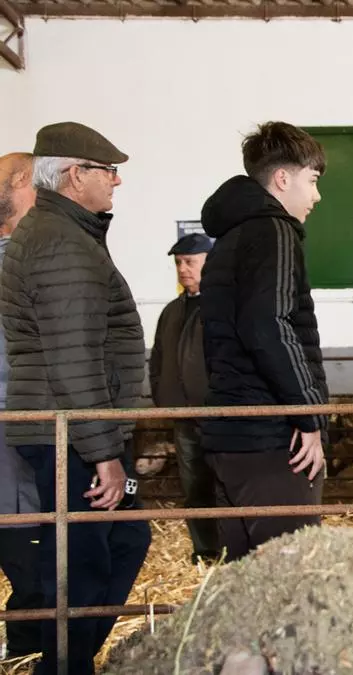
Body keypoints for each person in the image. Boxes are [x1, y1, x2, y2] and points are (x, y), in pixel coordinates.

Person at [0, 123, 151, 674]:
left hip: (72, 428)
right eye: (108, 171)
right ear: (74, 174)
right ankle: (64, 666)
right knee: (84, 559)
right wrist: (104, 453)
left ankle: (68, 661)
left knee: (124, 538)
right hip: (71, 434)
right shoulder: (61, 244)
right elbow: (73, 356)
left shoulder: (63, 234)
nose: (116, 181)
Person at [198, 121, 328, 562]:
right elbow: (268, 326)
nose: (316, 196)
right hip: (271, 440)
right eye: (313, 180)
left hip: (231, 436)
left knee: (243, 577)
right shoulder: (275, 230)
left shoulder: (230, 236)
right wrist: (309, 415)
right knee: (290, 573)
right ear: (283, 178)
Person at [149, 232, 219, 564]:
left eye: (190, 262)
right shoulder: (172, 312)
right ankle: (204, 551)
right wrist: (162, 395)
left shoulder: (222, 308)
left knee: (223, 483)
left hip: (218, 415)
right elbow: (158, 357)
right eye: (178, 263)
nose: (182, 269)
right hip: (185, 416)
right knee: (194, 485)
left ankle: (230, 550)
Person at [0, 151, 43, 660]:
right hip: (15, 418)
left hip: (18, 414)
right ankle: (30, 644)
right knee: (23, 529)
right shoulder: (23, 263)